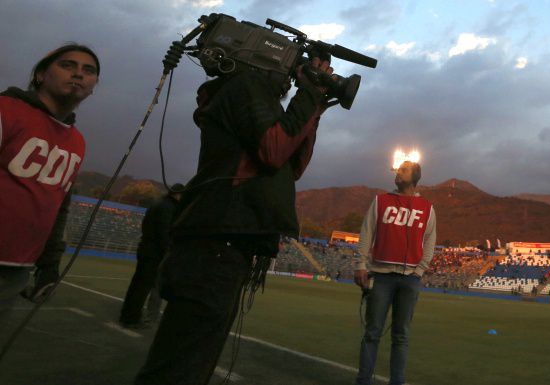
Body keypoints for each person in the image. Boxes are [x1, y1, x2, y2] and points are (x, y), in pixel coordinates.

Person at [133, 48, 334, 384]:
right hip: (214, 243)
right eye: (289, 67)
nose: (290, 76)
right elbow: (274, 150)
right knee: (178, 368)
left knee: (192, 366)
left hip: (228, 244)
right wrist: (309, 92)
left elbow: (292, 167)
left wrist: (314, 107)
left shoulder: (254, 97)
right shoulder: (245, 85)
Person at [0, 44, 100, 322]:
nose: (79, 74)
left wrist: (49, 262)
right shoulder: (6, 110)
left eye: (88, 71)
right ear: (41, 75)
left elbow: (59, 206)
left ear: (93, 86)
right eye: (68, 65)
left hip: (17, 267)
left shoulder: (78, 142)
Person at [353, 160, 437, 385]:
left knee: (401, 336)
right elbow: (367, 231)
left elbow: (429, 241)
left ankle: (397, 381)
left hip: (410, 279)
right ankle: (363, 381)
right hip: (381, 275)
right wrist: (361, 264)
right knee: (372, 333)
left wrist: (419, 270)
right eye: (398, 169)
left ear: (415, 177)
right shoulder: (381, 201)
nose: (398, 172)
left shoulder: (427, 208)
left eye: (404, 169)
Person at [118, 184, 183, 328]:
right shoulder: (167, 207)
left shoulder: (158, 204)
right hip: (153, 253)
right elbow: (163, 233)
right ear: (178, 194)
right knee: (142, 287)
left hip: (146, 249)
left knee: (137, 285)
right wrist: (168, 253)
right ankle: (132, 318)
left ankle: (127, 314)